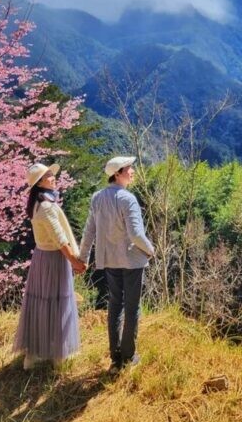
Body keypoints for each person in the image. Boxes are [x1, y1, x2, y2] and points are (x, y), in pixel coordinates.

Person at [79, 156, 155, 372]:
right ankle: (129, 356)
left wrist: (83, 258)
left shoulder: (97, 198)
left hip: (109, 260)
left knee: (115, 305)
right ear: (118, 173)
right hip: (131, 260)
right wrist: (150, 250)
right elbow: (136, 234)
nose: (132, 171)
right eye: (129, 168)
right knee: (132, 307)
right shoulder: (128, 199)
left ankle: (116, 358)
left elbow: (89, 231)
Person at [13, 163, 86, 370]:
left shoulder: (38, 204)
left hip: (41, 257)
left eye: (52, 174)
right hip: (53, 259)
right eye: (49, 176)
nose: (53, 177)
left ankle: (34, 354)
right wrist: (74, 261)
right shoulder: (46, 206)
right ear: (39, 183)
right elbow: (60, 239)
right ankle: (57, 354)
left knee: (41, 303)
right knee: (57, 303)